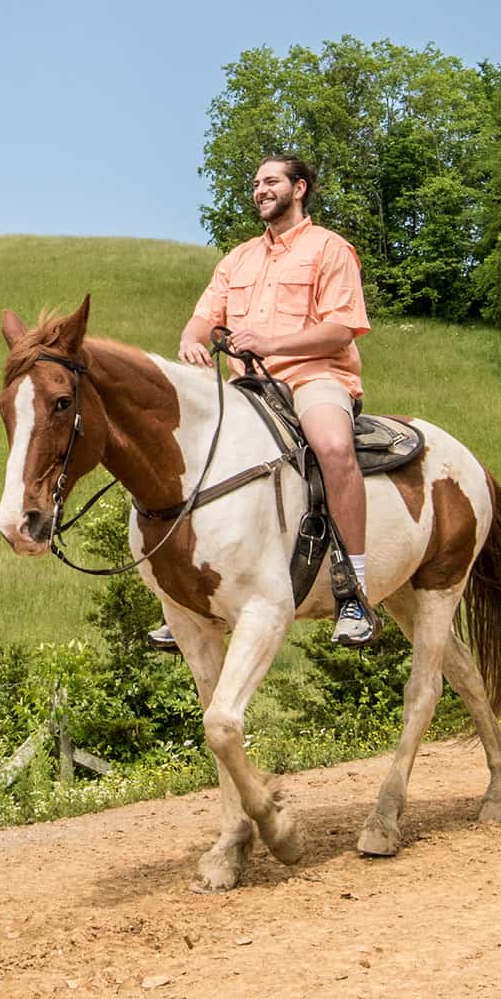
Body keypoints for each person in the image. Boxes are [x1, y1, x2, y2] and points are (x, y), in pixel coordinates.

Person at [162, 154, 377, 649]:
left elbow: (341, 327)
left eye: (271, 181)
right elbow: (203, 318)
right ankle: (192, 596)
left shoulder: (330, 249)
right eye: (256, 183)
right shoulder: (237, 259)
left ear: (299, 188)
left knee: (332, 446)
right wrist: (192, 341)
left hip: (314, 376)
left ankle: (354, 591)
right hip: (248, 387)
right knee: (189, 453)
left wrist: (273, 344)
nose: (260, 189)